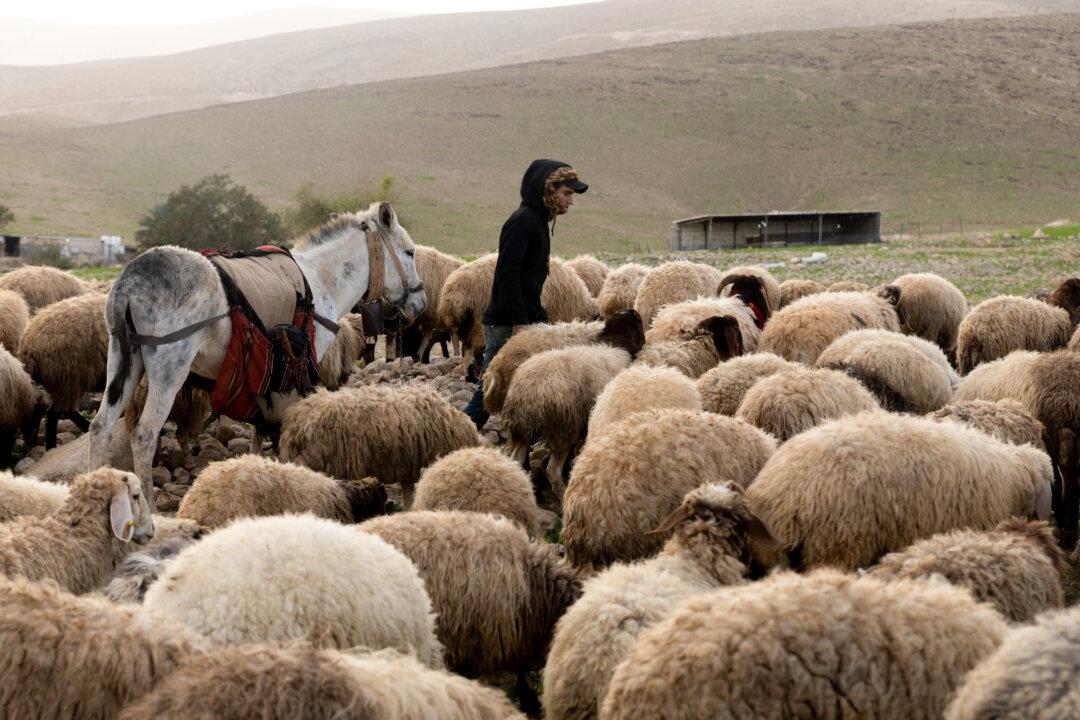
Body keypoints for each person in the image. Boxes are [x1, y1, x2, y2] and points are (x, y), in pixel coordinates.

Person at [463, 159, 588, 430]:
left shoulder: (537, 221)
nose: (570, 201)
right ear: (548, 190)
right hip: (509, 322)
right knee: (492, 388)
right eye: (566, 193)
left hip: (524, 317)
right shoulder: (522, 222)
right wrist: (521, 321)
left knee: (515, 383)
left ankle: (519, 435)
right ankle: (457, 435)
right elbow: (508, 274)